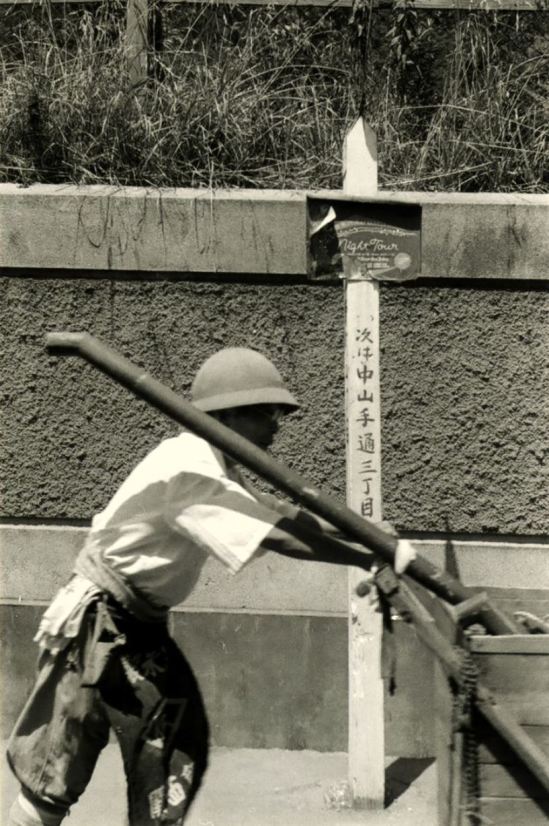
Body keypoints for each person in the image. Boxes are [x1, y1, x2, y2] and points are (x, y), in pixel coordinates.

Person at [6, 347, 415, 826]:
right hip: (102, 625)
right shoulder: (190, 469)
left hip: (135, 625)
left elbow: (280, 512)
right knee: (72, 760)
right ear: (230, 415)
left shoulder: (212, 462)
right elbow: (279, 536)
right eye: (268, 413)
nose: (277, 426)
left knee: (160, 749)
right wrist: (374, 555)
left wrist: (361, 536)